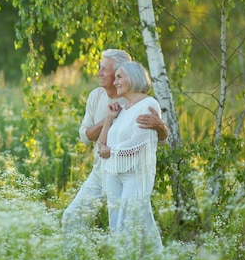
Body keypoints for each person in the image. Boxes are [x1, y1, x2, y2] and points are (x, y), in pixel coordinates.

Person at [61, 49, 167, 238]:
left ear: (122, 73)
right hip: (99, 172)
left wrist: (161, 126)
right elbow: (85, 136)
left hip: (126, 173)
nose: (99, 73)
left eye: (104, 69)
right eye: (99, 68)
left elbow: (151, 138)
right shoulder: (96, 96)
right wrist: (108, 119)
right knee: (72, 217)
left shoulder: (132, 98)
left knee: (127, 228)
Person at [97, 61, 164, 260]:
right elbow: (101, 146)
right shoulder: (121, 109)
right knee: (118, 229)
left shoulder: (148, 104)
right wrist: (108, 120)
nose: (114, 82)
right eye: (114, 77)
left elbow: (139, 143)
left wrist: (110, 151)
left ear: (133, 78)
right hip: (114, 175)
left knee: (130, 227)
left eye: (119, 77)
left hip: (136, 175)